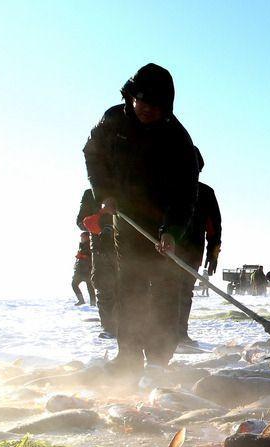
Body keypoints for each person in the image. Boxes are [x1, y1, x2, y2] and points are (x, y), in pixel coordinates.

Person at [83, 63, 199, 376]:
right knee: (130, 282)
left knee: (163, 283)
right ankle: (129, 355)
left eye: (155, 105)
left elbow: (186, 195)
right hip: (127, 215)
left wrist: (173, 231)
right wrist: (104, 191)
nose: (145, 109)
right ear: (132, 96)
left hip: (166, 218)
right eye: (141, 101)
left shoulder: (178, 141)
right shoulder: (114, 119)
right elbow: (92, 153)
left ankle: (159, 359)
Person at [176, 151, 222, 345]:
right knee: (165, 291)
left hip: (192, 250)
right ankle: (161, 335)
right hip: (163, 248)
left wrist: (213, 253)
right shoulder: (164, 188)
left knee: (184, 291)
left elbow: (213, 227)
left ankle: (179, 334)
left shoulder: (204, 193)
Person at [77, 190, 117, 336]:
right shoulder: (91, 194)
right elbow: (81, 221)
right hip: (101, 250)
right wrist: (99, 220)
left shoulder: (124, 187)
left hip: (126, 248)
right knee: (104, 286)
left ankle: (129, 327)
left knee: (126, 287)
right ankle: (109, 328)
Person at [72, 232, 96, 306]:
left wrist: (82, 256)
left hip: (87, 269)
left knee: (90, 287)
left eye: (83, 237)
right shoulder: (81, 245)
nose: (81, 238)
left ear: (87, 237)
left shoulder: (91, 244)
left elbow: (92, 257)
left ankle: (93, 302)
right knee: (74, 284)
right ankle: (81, 300)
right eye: (81, 237)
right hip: (80, 270)